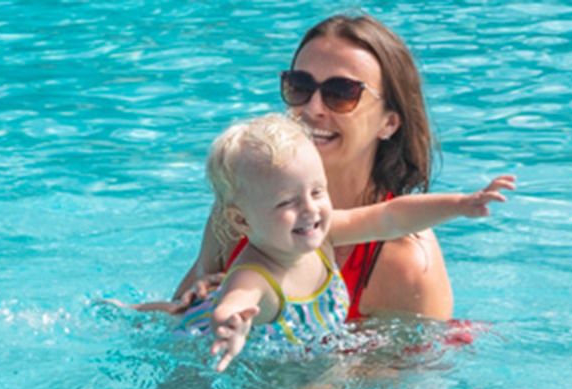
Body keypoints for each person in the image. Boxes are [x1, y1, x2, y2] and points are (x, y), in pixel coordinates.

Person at [171, 13, 461, 327]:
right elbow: (176, 325)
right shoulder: (245, 209)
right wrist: (201, 305)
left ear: (388, 122)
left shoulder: (406, 260)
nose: (312, 108)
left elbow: (415, 359)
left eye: (342, 93)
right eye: (300, 86)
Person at [178, 113, 514, 372]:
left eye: (317, 191)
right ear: (241, 221)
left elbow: (391, 216)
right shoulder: (257, 275)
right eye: (287, 202)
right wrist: (230, 325)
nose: (310, 209)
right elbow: (236, 301)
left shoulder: (324, 235)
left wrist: (460, 204)